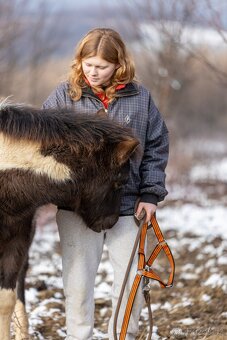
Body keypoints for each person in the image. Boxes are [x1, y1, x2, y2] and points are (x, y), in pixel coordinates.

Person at [42, 28, 169, 340]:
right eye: (88, 64)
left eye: (101, 66)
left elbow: (157, 145)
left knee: (131, 285)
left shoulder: (141, 98)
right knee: (78, 284)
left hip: (129, 206)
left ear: (118, 65)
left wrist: (151, 193)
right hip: (78, 207)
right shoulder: (63, 96)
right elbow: (42, 144)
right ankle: (78, 336)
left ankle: (122, 335)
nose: (93, 72)